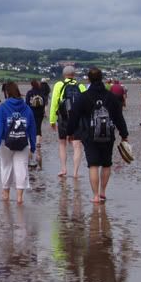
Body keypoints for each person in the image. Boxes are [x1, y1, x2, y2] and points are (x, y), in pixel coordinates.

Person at [66, 67, 128, 203]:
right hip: (108, 135)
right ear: (101, 78)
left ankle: (95, 196)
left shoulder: (83, 97)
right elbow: (119, 117)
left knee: (93, 165)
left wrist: (70, 133)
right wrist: (124, 134)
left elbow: (74, 116)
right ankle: (103, 192)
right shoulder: (111, 96)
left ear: (88, 79)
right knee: (106, 164)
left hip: (90, 135)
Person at [0, 81, 37, 204]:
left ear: (6, 93)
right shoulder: (27, 108)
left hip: (6, 143)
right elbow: (32, 128)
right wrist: (33, 145)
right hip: (22, 142)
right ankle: (19, 198)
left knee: (6, 166)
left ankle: (6, 193)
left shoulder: (3, 108)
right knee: (21, 167)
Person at [49, 65, 87, 178]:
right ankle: (75, 173)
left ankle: (64, 169)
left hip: (63, 118)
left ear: (64, 75)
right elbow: (86, 104)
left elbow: (54, 103)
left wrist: (52, 120)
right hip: (77, 119)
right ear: (74, 74)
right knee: (77, 145)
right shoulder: (80, 86)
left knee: (62, 143)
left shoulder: (59, 85)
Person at [25, 79, 46, 168]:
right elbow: (44, 102)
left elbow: (26, 103)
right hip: (40, 113)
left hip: (31, 112)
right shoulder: (41, 92)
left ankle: (31, 143)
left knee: (31, 128)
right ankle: (37, 142)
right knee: (38, 127)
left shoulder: (29, 92)